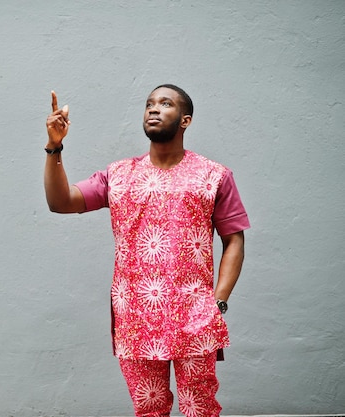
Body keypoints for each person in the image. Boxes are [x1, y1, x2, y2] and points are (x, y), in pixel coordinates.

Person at [43, 85, 250, 416]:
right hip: (136, 317)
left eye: (165, 104)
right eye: (149, 104)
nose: (154, 109)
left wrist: (218, 299)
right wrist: (55, 147)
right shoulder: (119, 175)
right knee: (149, 409)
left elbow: (234, 240)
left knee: (201, 408)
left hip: (194, 316)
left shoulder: (213, 176)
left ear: (186, 120)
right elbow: (60, 202)